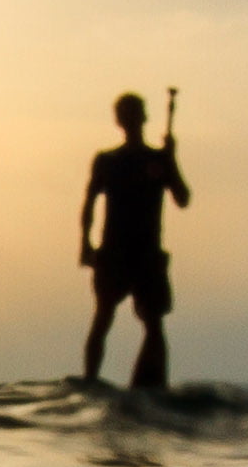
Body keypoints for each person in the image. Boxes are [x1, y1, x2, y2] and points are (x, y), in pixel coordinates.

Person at [80, 90, 191, 389]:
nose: (131, 120)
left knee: (153, 325)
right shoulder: (108, 161)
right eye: (126, 114)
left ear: (142, 117)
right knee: (103, 319)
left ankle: (152, 387)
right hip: (115, 253)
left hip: (146, 255)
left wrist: (172, 159)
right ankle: (90, 382)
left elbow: (183, 198)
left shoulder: (158, 159)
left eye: (134, 113)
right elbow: (89, 203)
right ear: (120, 120)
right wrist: (85, 245)